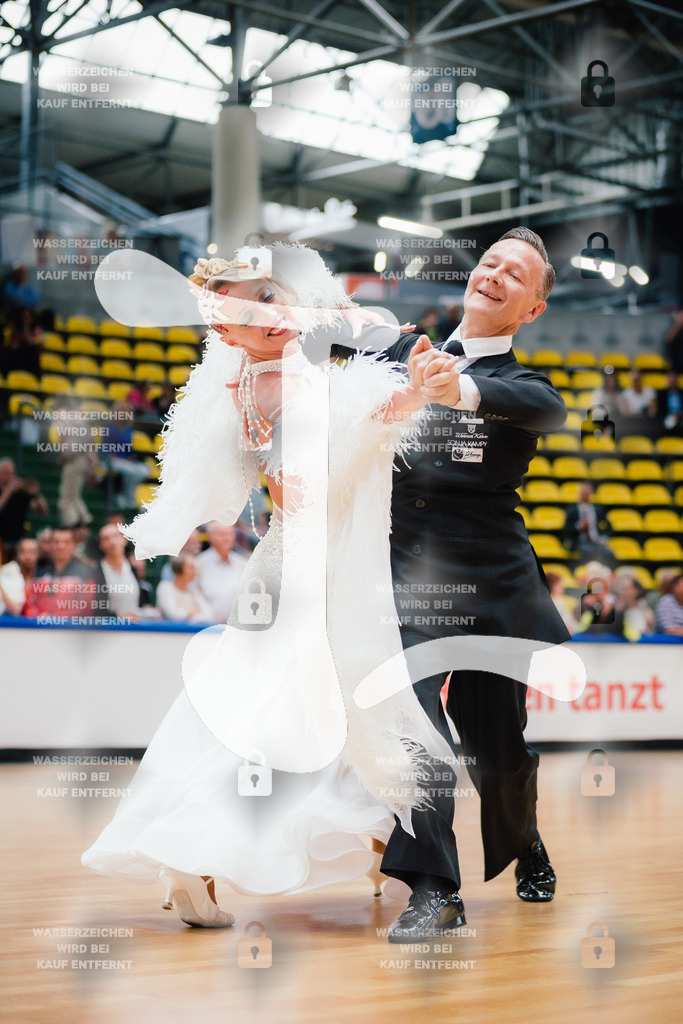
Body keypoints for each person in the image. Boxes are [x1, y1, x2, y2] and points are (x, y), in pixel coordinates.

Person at [81, 243, 453, 928]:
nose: (271, 316)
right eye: (247, 312)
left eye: (271, 297)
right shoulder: (284, 381)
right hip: (314, 574)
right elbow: (321, 480)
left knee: (257, 718)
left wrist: (397, 386)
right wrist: (404, 398)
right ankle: (195, 852)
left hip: (284, 566)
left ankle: (215, 855)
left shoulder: (264, 381)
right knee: (303, 719)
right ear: (223, 333)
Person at [371, 227, 572, 942]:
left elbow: (543, 413)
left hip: (492, 587)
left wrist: (453, 387)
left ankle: (524, 838)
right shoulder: (401, 350)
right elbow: (318, 348)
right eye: (490, 261)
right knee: (412, 724)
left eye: (515, 275)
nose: (494, 274)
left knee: (498, 747)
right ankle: (434, 889)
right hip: (410, 582)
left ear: (530, 311)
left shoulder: (527, 386)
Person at [24, 526, 95, 620]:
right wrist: (36, 617)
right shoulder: (39, 570)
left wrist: (55, 617)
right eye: (56, 542)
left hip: (70, 630)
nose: (61, 546)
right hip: (39, 629)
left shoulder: (85, 573)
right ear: (50, 544)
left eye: (66, 542)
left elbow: (86, 609)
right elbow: (30, 603)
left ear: (73, 544)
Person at [194, 521, 248, 622]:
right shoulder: (198, 564)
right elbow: (193, 594)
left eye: (229, 534)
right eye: (221, 535)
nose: (226, 538)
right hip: (206, 626)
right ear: (210, 537)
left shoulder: (242, 563)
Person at [93, 522, 141, 621]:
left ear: (124, 539)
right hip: (109, 630)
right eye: (106, 538)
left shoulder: (133, 569)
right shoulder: (95, 573)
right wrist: (116, 615)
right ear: (101, 545)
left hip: (134, 631)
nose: (112, 542)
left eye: (115, 536)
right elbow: (93, 611)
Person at [0, 459, 48, 554]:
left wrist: (36, 494)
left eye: (12, 473)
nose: (10, 476)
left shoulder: (20, 494)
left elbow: (43, 511)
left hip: (18, 541)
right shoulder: (5, 492)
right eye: (6, 473)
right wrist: (8, 491)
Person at [563, 480, 613, 564]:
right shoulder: (572, 509)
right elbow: (565, 529)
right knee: (590, 552)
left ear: (591, 493)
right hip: (579, 542)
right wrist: (578, 526)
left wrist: (604, 537)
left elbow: (608, 526)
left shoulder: (598, 509)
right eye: (583, 490)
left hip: (596, 541)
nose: (585, 493)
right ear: (579, 492)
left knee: (609, 553)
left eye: (587, 490)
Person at [156, 554, 213, 624]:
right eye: (191, 568)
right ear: (178, 570)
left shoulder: (193, 591)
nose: (195, 572)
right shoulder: (165, 587)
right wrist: (193, 613)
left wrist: (190, 616)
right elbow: (172, 615)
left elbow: (209, 614)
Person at [0, 536, 38, 615]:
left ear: (38, 555)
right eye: (23, 552)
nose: (27, 557)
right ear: (17, 555)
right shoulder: (9, 575)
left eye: (32, 552)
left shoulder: (44, 578)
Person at [545, 571, 581, 635]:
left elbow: (569, 621)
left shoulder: (559, 601)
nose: (562, 588)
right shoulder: (546, 604)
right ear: (551, 585)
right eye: (559, 585)